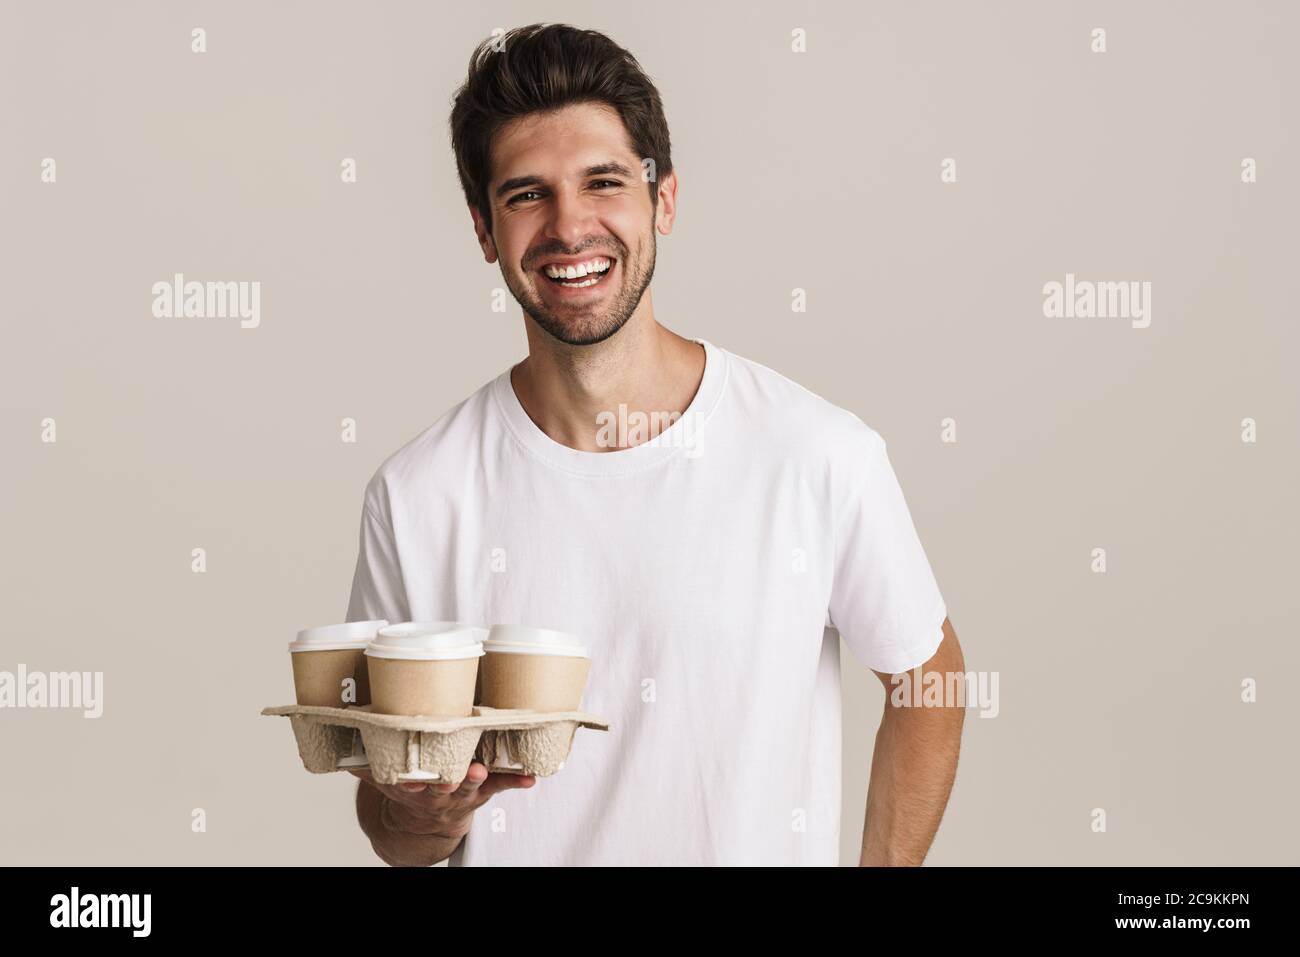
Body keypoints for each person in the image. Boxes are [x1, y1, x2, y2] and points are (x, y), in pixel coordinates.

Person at [347, 22, 965, 866]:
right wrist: (423, 819)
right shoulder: (418, 495)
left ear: (663, 199)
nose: (570, 226)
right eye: (527, 194)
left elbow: (931, 682)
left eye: (604, 182)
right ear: (486, 230)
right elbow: (390, 823)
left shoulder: (815, 453)